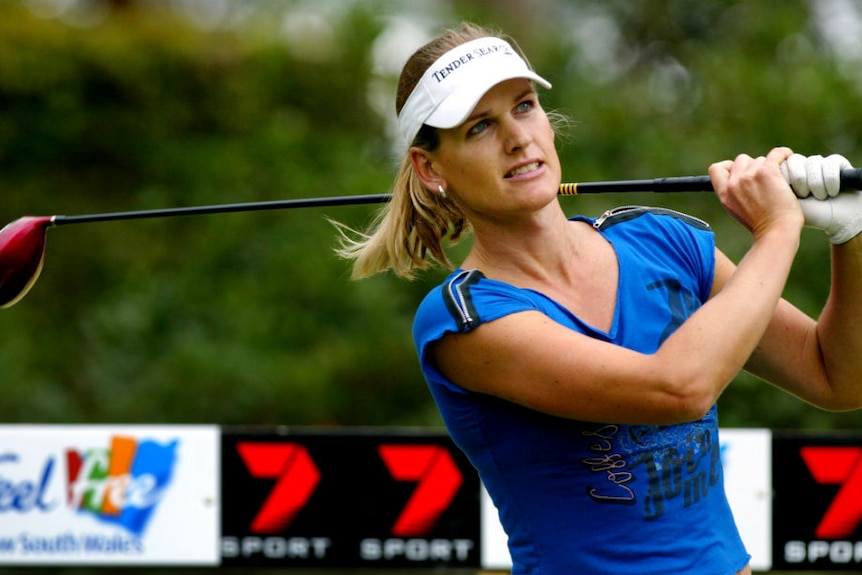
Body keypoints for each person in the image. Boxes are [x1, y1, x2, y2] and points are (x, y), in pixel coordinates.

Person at [335, 22, 862, 575]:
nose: (518, 137)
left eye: (524, 106)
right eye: (480, 127)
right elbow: (678, 387)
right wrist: (778, 230)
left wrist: (849, 240)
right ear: (430, 168)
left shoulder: (663, 243)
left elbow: (838, 378)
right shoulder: (465, 319)